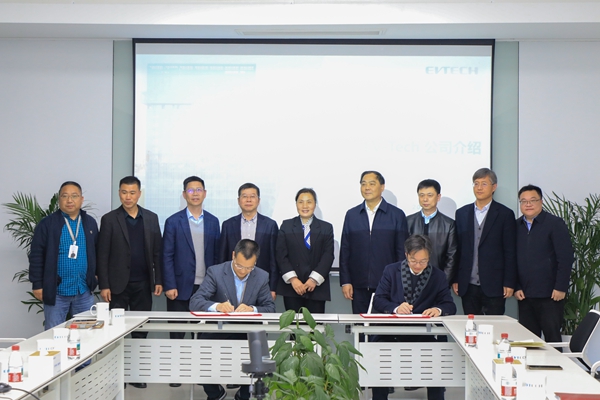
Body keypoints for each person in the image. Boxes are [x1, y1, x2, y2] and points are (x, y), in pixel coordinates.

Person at [372, 234, 456, 400]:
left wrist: (437, 309)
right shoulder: (391, 271)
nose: (418, 265)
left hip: (422, 333)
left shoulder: (438, 276)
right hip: (391, 332)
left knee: (437, 353)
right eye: (413, 261)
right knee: (378, 354)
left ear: (429, 257)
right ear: (406, 255)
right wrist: (396, 308)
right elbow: (379, 300)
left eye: (423, 261)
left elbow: (449, 305)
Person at [190, 239, 276, 400]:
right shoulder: (216, 272)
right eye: (239, 266)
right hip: (219, 329)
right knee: (201, 353)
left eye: (249, 268)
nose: (243, 271)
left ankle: (244, 394)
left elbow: (270, 308)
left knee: (257, 349)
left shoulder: (261, 276)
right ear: (233, 256)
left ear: (255, 262)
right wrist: (217, 306)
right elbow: (195, 302)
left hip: (247, 332)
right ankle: (215, 393)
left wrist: (252, 309)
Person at [96, 177, 162, 357]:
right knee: (116, 329)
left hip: (143, 283)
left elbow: (157, 252)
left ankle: (137, 367)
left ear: (139, 194)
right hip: (117, 286)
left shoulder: (151, 218)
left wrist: (158, 280)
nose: (128, 197)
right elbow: (102, 255)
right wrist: (104, 285)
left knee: (141, 327)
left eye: (132, 193)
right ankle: (118, 367)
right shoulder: (109, 219)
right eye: (124, 192)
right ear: (119, 193)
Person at [29, 181, 99, 330]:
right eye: (65, 196)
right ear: (59, 199)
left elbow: (97, 251)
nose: (69, 200)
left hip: (83, 290)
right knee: (54, 333)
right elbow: (36, 255)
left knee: (87, 334)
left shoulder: (90, 223)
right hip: (57, 291)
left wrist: (95, 275)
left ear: (81, 199)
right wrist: (37, 284)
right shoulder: (47, 224)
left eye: (74, 196)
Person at [339, 170, 408, 314]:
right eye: (363, 184)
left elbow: (401, 252)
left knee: (384, 326)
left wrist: (399, 282)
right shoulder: (352, 215)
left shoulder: (396, 215)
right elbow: (345, 250)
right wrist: (346, 281)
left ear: (382, 187)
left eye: (372, 184)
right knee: (360, 325)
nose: (367, 188)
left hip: (387, 284)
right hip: (358, 284)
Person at [162, 176, 220, 341]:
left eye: (199, 190)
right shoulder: (173, 222)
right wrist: (170, 285)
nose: (195, 193)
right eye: (190, 190)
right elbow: (167, 256)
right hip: (179, 288)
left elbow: (217, 256)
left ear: (205, 193)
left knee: (204, 334)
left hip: (207, 288)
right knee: (177, 333)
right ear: (184, 194)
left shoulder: (213, 221)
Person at [453, 168, 517, 315]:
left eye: (484, 184)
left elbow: (510, 251)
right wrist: (456, 278)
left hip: (495, 284)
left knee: (494, 325)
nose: (479, 188)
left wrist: (509, 282)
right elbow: (458, 249)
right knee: (470, 325)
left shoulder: (505, 214)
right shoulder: (462, 213)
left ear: (494, 187)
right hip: (468, 284)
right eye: (476, 184)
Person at [515, 184, 574, 343]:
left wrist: (560, 287)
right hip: (524, 295)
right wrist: (516, 286)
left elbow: (565, 257)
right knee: (528, 341)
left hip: (551, 295)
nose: (528, 204)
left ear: (541, 202)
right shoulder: (516, 226)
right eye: (524, 201)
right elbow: (512, 259)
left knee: (552, 339)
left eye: (533, 200)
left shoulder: (554, 224)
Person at [276, 188, 335, 313]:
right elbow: (281, 254)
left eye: (309, 202)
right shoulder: (286, 226)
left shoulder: (326, 228)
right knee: (293, 323)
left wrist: (313, 279)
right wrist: (293, 279)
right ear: (296, 204)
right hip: (292, 287)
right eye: (301, 202)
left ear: (315, 204)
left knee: (315, 324)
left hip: (316, 287)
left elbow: (328, 256)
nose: (305, 206)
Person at [219, 183, 279, 300]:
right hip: (233, 282)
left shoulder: (270, 225)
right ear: (238, 200)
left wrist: (273, 287)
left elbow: (273, 259)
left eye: (252, 196)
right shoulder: (228, 225)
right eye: (244, 196)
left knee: (259, 311)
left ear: (258, 200)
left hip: (261, 282)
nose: (248, 200)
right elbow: (222, 257)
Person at [406, 179, 457, 285]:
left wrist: (443, 282)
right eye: (421, 195)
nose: (425, 199)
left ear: (438, 197)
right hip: (411, 280)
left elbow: (451, 257)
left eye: (429, 195)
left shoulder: (449, 224)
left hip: (437, 279)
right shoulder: (408, 221)